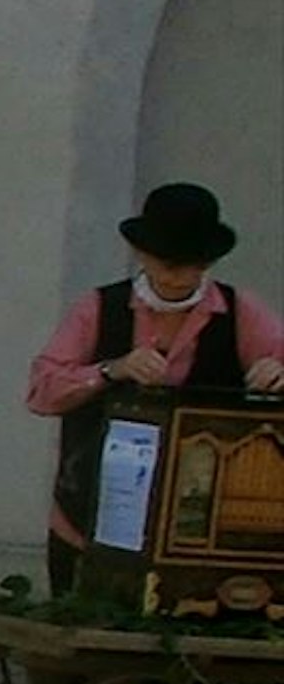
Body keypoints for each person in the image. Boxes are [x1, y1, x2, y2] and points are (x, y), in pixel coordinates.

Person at [26, 181, 284, 587]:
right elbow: (43, 389)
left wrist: (276, 374)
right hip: (94, 512)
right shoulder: (99, 307)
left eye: (194, 265)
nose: (180, 276)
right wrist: (111, 370)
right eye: (169, 263)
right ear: (142, 254)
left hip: (203, 530)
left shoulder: (240, 311)